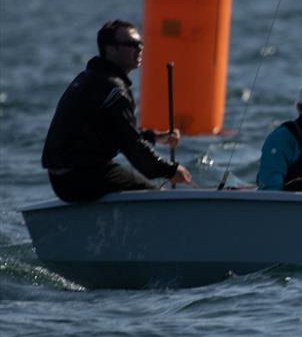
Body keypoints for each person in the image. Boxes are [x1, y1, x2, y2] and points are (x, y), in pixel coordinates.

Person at [41, 19, 192, 202]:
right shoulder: (115, 90)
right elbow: (132, 147)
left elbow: (116, 133)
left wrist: (155, 137)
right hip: (82, 175)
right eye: (131, 44)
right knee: (154, 197)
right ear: (110, 49)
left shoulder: (89, 78)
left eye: (141, 43)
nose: (139, 48)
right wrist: (170, 171)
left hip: (61, 180)